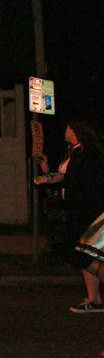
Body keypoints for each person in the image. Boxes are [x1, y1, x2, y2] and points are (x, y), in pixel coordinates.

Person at [37, 119, 104, 313]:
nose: (64, 130)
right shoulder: (74, 152)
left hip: (87, 209)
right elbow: (70, 177)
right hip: (76, 208)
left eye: (67, 127)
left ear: (76, 130)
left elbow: (85, 179)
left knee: (77, 250)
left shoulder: (87, 153)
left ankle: (95, 298)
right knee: (83, 252)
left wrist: (63, 179)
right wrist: (49, 175)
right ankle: (94, 299)